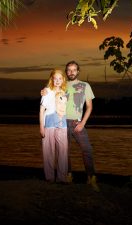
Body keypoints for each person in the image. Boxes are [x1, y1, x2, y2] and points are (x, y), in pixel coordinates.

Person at [41, 61, 100, 192]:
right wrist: (44, 90)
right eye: (69, 70)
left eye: (74, 70)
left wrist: (83, 122)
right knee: (64, 152)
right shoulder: (62, 84)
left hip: (76, 123)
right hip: (60, 122)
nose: (71, 72)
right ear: (66, 72)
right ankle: (68, 175)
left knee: (87, 149)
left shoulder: (85, 85)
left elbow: (89, 107)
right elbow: (50, 90)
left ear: (78, 71)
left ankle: (91, 177)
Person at [40, 69, 68, 183]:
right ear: (52, 79)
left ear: (63, 80)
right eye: (55, 78)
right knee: (48, 152)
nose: (57, 81)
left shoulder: (65, 92)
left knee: (63, 152)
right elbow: (42, 110)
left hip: (62, 124)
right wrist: (41, 127)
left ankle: (62, 178)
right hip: (49, 123)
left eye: (60, 78)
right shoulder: (47, 91)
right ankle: (49, 178)